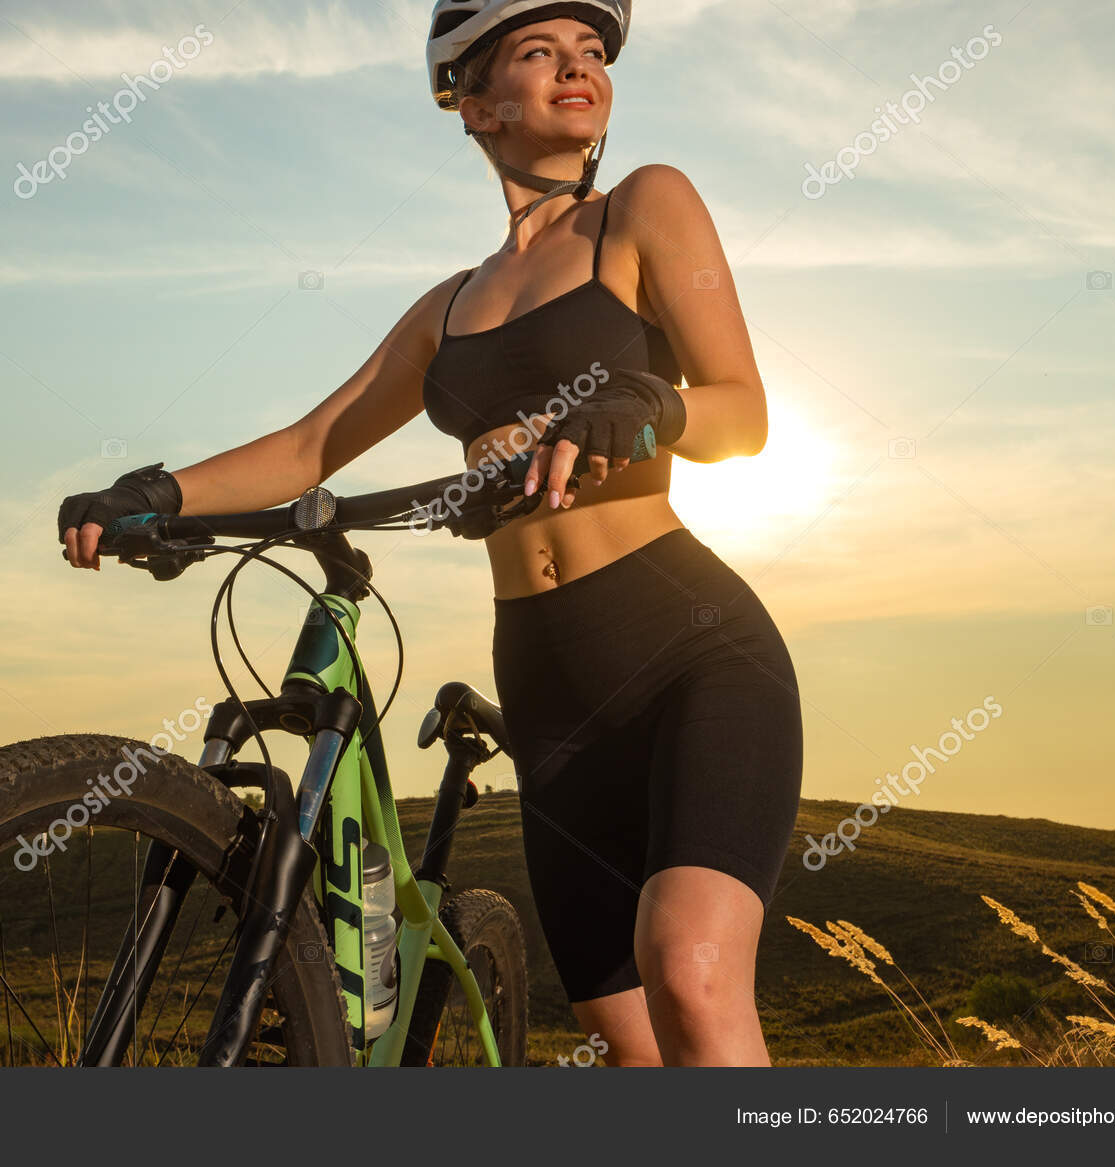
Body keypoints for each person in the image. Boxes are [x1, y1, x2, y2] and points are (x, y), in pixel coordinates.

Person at [58, 0, 803, 1067]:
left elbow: (743, 411)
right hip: (547, 678)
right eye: (539, 53)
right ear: (471, 103)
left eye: (592, 52)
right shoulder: (448, 308)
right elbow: (314, 444)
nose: (577, 68)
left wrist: (641, 407)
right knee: (625, 1034)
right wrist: (160, 494)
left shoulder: (644, 207)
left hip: (687, 646)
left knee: (689, 972)